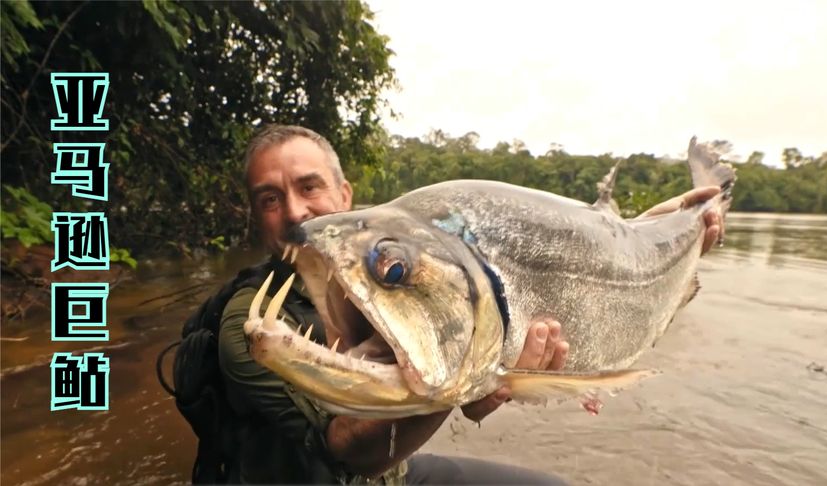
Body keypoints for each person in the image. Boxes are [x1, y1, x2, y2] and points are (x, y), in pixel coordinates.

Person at [216, 124, 724, 484]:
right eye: (269, 198)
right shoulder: (249, 327)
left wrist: (677, 218)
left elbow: (608, 246)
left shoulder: (362, 269)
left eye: (309, 187)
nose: (296, 213)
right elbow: (350, 453)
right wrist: (473, 382)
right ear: (253, 214)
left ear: (344, 193)